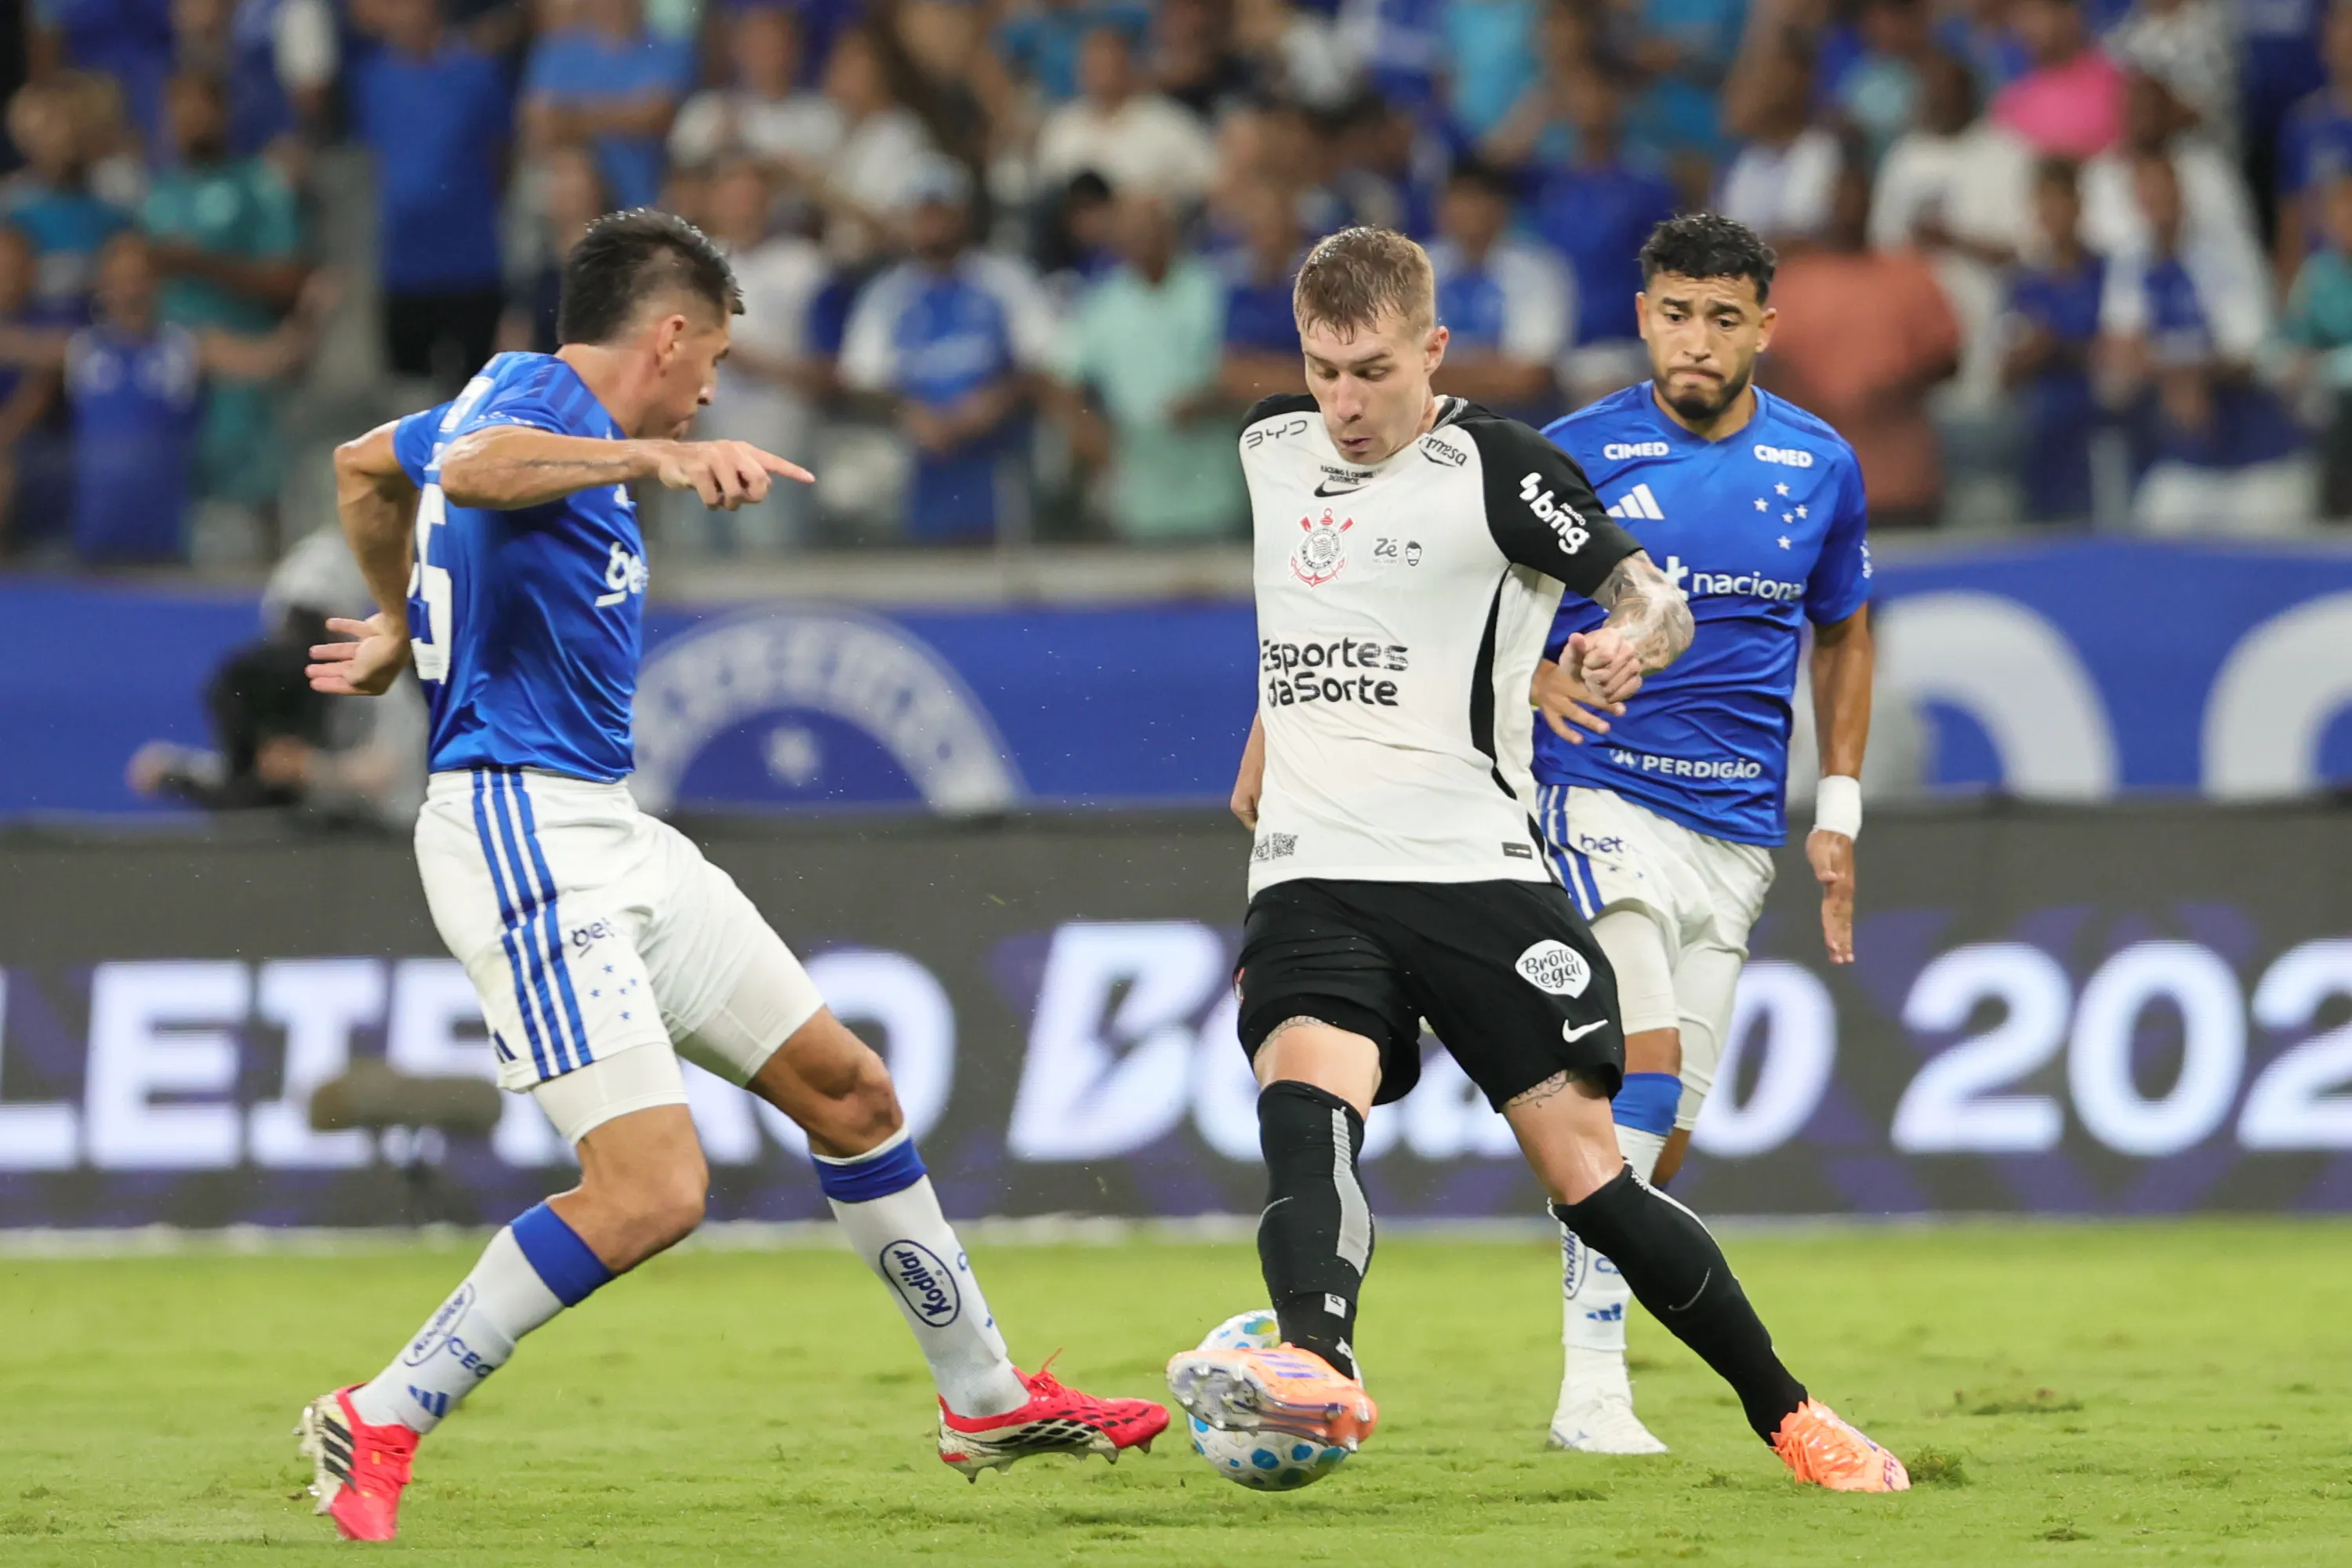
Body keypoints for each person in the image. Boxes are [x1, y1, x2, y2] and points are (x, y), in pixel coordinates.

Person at [293, 209, 1167, 1543]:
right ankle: (386, 1410)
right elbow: (463, 471)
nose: (713, 390)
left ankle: (982, 1395)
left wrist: (407, 626)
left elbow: (366, 469)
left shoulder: (533, 424)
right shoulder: (536, 394)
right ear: (672, 332)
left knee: (852, 1092)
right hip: (522, 833)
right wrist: (656, 452)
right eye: (710, 363)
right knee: (652, 1192)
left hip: (611, 828)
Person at [1165, 223, 1909, 1494]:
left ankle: (1791, 1415)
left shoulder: (1504, 466)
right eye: (1323, 370)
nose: (1343, 404)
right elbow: (1315, 611)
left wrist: (1628, 643)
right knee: (1304, 1114)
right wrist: (1268, 734)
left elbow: (1652, 600)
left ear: (1434, 349)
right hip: (1314, 865)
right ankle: (1318, 1368)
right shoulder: (1268, 452)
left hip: (1472, 867)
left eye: (1373, 372)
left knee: (1594, 1177)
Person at [1514, 212, 1875, 1454]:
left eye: (1724, 318)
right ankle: (1592, 1393)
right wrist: (1530, 683)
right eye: (1676, 312)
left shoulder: (1821, 464)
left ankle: (1590, 1308)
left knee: (1657, 1146)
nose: (1697, 339)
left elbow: (1845, 628)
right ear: (1644, 316)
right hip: (1596, 794)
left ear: (1764, 329)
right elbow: (1465, 605)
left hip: (1735, 832)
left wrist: (1838, 807)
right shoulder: (1571, 455)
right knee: (1645, 1067)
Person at [0, 230, 325, 563]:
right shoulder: (82, 350)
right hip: (93, 539)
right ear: (103, 287)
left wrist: (309, 312)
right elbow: (13, 345)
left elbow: (273, 359)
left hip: (165, 539)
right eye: (120, 280)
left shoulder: (186, 349)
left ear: (157, 285)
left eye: (140, 279)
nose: (131, 290)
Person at [838, 157, 1056, 543]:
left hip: (1001, 461)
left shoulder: (1005, 280)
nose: (931, 225)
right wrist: (909, 412)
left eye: (942, 213)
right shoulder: (888, 295)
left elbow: (1045, 359)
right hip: (920, 470)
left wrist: (996, 400)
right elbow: (860, 379)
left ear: (964, 216)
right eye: (922, 215)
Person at [2102, 154, 2310, 532]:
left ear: (2182, 194)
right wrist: (2176, 376)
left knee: (2270, 530)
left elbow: (2247, 355)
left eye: (2163, 191)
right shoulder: (2129, 261)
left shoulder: (2228, 251)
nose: (2156, 203)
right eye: (2146, 194)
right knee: (2158, 520)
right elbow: (2121, 355)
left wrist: (2182, 374)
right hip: (2187, 457)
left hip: (2257, 447)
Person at [141, 69, 310, 528]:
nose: (187, 122)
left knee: (252, 500)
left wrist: (200, 263)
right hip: (169, 376)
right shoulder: (156, 191)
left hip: (244, 371)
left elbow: (289, 277)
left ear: (223, 113)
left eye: (199, 109)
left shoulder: (258, 184)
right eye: (177, 111)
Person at [1762, 162, 1960, 525]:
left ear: (1872, 201)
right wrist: (1807, 401)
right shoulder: (1794, 283)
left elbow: (1948, 358)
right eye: (1841, 196)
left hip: (1902, 481)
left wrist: (1900, 387)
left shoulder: (1909, 275)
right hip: (1816, 485)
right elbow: (1766, 366)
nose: (1849, 206)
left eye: (1857, 196)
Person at [1054, 192, 1244, 539]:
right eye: (1135, 234)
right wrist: (1090, 434)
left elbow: (1249, 368)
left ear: (1172, 233)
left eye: (1154, 231)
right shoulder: (1102, 304)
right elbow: (1061, 381)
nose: (1145, 242)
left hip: (1215, 487)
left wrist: (1213, 397)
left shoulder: (1213, 289)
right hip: (1139, 495)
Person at [352, 0, 514, 389]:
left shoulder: (478, 73)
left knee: (478, 397)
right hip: (404, 271)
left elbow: (503, 155)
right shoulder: (373, 79)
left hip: (472, 266)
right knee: (408, 401)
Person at [1525, 69, 1683, 411]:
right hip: (1554, 343)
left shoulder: (1645, 183)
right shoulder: (1551, 179)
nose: (1590, 105)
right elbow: (1489, 164)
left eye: (1599, 93)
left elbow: (1670, 268)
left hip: (1620, 347)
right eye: (1579, 95)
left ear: (1617, 102)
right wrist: (1540, 105)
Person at [2003, 158, 2112, 521]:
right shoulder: (2024, 284)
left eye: (2060, 200)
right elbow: (2006, 370)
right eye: (2043, 201)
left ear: (2078, 205)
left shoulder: (2107, 273)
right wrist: (2027, 356)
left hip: (2099, 432)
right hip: (2040, 438)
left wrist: (2057, 348)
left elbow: (2115, 352)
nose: (2052, 212)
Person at [1425, 158, 1571, 424]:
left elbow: (1529, 378)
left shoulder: (1539, 271)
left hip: (1514, 419)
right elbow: (1400, 371)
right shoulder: (1414, 268)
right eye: (1460, 199)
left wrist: (1439, 374)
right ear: (1441, 208)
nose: (1469, 212)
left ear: (1502, 208)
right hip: (1429, 420)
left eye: (1479, 200)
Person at [521, 0, 696, 211]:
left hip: (644, 202)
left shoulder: (671, 49)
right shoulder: (556, 51)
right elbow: (541, 126)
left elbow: (656, 117)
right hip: (570, 207)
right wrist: (627, 113)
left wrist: (571, 114)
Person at [1033, 25, 1220, 203]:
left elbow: (1210, 180)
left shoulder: (1169, 123)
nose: (1100, 73)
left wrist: (1165, 199)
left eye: (1108, 63)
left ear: (1127, 64)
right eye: (1092, 64)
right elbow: (1046, 189)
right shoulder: (1061, 127)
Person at [666, 6, 844, 177]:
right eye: (757, 44)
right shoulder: (707, 109)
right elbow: (682, 173)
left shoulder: (823, 116)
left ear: (796, 50)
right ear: (737, 49)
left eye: (777, 45)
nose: (768, 56)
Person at [2281, 171, 2352, 517]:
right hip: (2333, 415)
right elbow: (2287, 344)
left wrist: (2324, 366)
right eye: (2340, 214)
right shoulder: (2317, 275)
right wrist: (2292, 363)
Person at [1990, 0, 2125, 159]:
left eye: (2037, 13)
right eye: (2022, 15)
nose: (2028, 26)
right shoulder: (2011, 102)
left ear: (2069, 14)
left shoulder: (2115, 85)